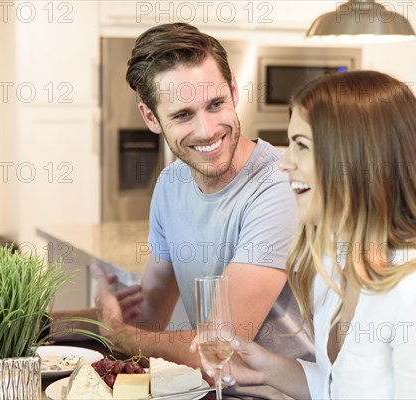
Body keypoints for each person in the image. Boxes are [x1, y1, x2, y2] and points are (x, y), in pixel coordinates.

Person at [193, 70, 416, 399]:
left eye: (302, 146)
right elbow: (342, 388)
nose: (285, 162)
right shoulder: (337, 261)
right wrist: (270, 369)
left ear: (356, 159)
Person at [59, 22, 313, 399]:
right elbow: (148, 318)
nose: (207, 130)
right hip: (213, 391)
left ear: (233, 92)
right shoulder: (171, 183)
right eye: (182, 115)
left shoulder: (278, 184)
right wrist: (105, 310)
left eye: (215, 104)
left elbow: (223, 346)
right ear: (150, 118)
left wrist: (120, 332)